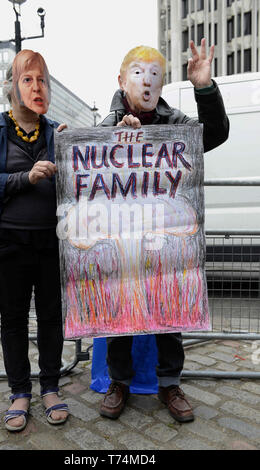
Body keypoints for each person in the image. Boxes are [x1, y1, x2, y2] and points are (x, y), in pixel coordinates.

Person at [98, 39, 229, 422]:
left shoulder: (177, 125)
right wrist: (115, 139)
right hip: (123, 239)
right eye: (138, 73)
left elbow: (216, 133)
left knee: (169, 305)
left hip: (168, 238)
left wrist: (204, 87)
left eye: (155, 75)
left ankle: (169, 382)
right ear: (122, 81)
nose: (147, 81)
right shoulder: (106, 125)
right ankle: (118, 382)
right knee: (121, 307)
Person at [0, 49, 69, 432]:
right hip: (6, 244)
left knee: (51, 319)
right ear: (12, 87)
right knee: (13, 321)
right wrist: (25, 178)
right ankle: (20, 392)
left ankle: (51, 387)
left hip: (50, 243)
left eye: (42, 80)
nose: (37, 87)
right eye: (28, 79)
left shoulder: (58, 134)